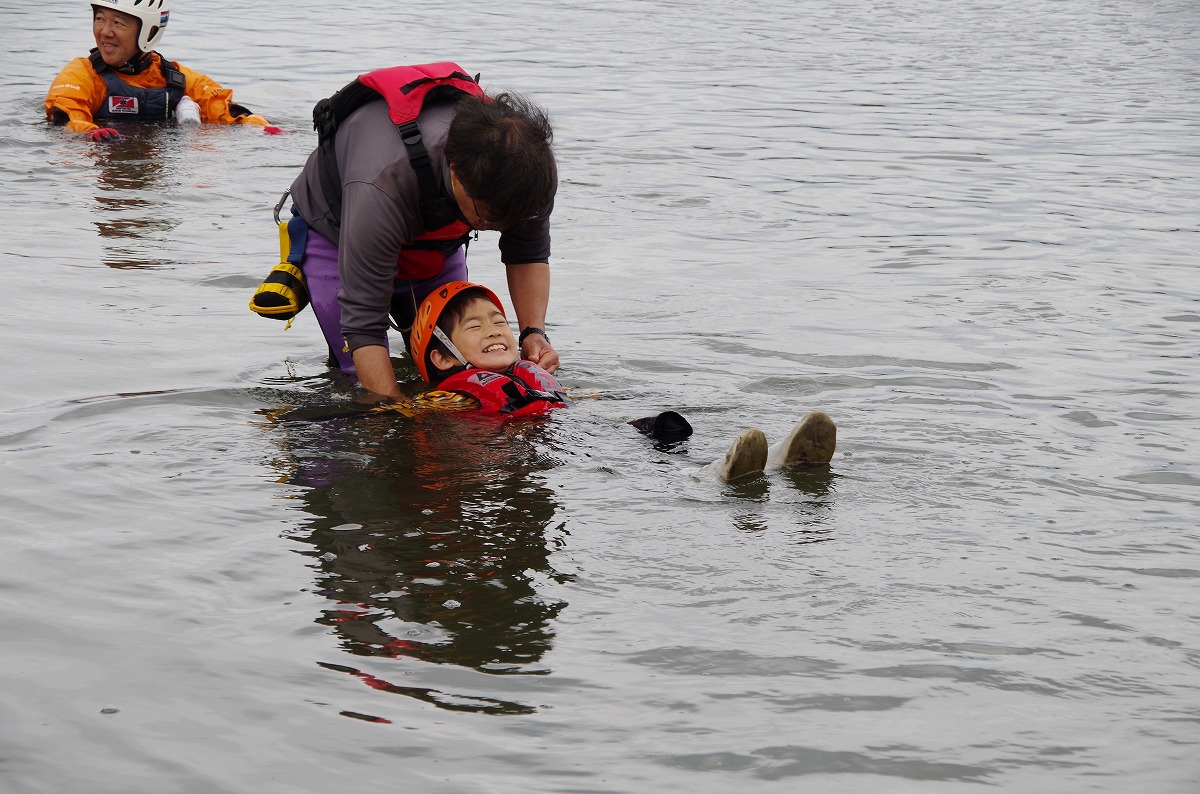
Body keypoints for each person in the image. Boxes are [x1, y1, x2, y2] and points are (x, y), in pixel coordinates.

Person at [274, 61, 558, 401]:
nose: (499, 227)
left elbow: (528, 252)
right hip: (336, 232)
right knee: (355, 381)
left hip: (434, 238)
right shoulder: (381, 184)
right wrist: (401, 418)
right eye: (489, 218)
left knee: (452, 361)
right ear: (456, 173)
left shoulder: (529, 170)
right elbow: (363, 325)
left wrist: (533, 332)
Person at [46, 0, 274, 140]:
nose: (105, 31)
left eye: (118, 23)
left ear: (148, 32)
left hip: (157, 161)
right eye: (99, 19)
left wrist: (263, 129)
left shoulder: (176, 79)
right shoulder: (81, 74)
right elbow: (66, 115)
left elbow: (226, 111)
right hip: (104, 158)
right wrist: (88, 134)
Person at [407, 281, 569, 416]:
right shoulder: (452, 399)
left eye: (499, 322)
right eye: (475, 326)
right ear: (443, 359)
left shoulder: (538, 385)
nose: (494, 331)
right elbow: (402, 411)